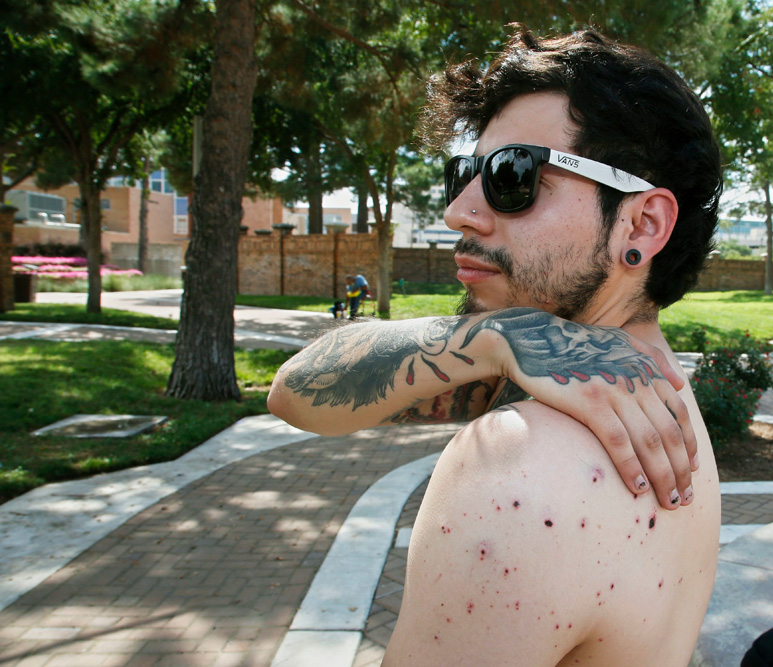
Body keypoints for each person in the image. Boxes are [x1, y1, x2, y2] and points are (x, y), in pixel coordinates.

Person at [268, 26, 723, 666]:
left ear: (642, 223)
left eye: (514, 175)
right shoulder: (665, 397)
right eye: (466, 171)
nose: (459, 210)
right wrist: (499, 338)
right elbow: (296, 394)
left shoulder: (515, 471)